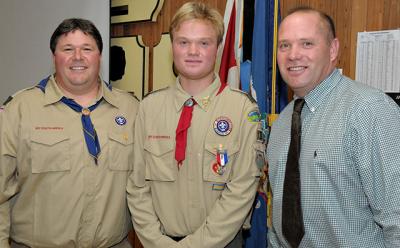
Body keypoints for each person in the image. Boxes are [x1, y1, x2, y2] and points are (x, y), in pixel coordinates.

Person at [127, 2, 262, 247]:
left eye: (204, 43)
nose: (193, 51)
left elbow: (242, 190)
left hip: (223, 242)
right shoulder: (149, 108)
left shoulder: (242, 109)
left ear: (218, 48)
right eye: (183, 42)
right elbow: (137, 186)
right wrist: (158, 242)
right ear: (172, 46)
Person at [267, 7, 400, 247]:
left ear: (333, 50)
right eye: (284, 45)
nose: (293, 55)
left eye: (307, 43)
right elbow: (280, 221)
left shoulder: (369, 110)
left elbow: (397, 219)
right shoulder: (281, 125)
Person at [0, 18, 139, 248]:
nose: (78, 57)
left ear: (99, 56)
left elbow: (144, 186)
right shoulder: (19, 109)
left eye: (87, 49)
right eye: (67, 49)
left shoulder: (131, 109)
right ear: (54, 57)